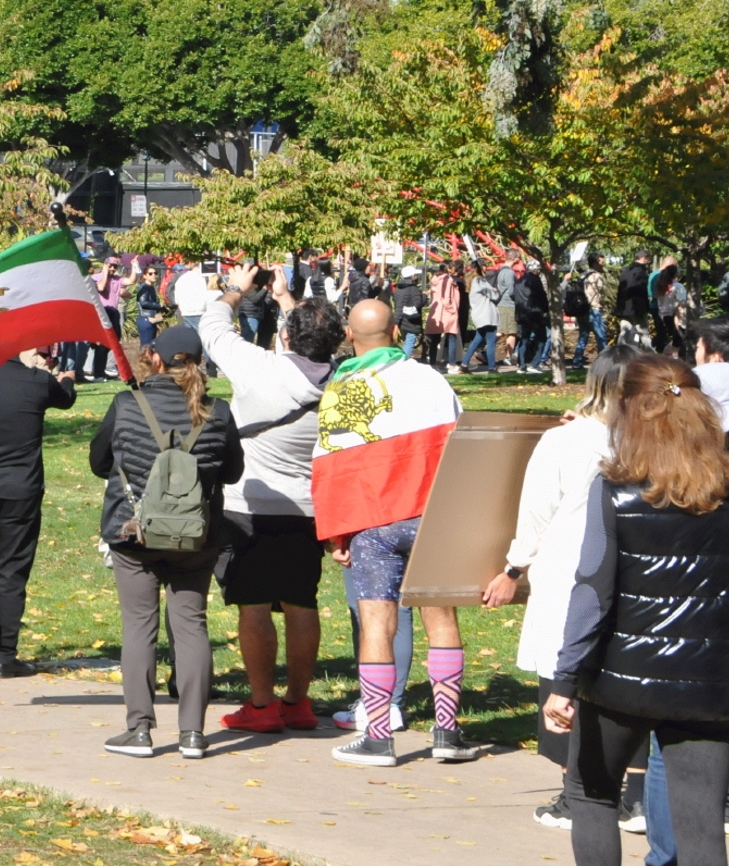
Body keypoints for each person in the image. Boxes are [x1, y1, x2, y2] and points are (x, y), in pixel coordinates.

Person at [544, 353, 729, 866]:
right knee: (701, 823)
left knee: (592, 793)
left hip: (620, 678)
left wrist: (564, 678)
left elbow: (593, 593)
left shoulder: (616, 490)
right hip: (708, 681)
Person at [482, 345, 637, 829]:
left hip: (572, 576)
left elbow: (537, 513)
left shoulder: (564, 443)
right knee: (621, 684)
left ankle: (579, 795)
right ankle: (635, 794)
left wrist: (513, 568)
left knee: (564, 680)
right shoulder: (654, 443)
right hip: (633, 579)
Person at [319, 298, 477, 768]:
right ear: (395, 333)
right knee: (442, 620)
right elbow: (461, 442)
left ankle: (378, 736)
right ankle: (447, 732)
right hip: (432, 519)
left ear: (350, 336)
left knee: (376, 625)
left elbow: (332, 469)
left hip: (374, 523)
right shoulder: (431, 380)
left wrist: (337, 535)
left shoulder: (341, 387)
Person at [90, 325, 244, 758]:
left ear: (154, 358)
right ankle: (193, 733)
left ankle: (139, 729)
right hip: (197, 534)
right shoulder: (218, 411)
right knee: (191, 624)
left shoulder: (126, 404)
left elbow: (98, 461)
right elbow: (231, 472)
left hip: (132, 531)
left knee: (139, 626)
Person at [202, 266, 341, 733]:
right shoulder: (342, 383)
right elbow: (309, 339)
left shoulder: (261, 369)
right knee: (302, 603)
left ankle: (261, 706)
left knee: (254, 606)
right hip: (308, 509)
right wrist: (287, 300)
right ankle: (297, 703)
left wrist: (238, 289)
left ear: (284, 336)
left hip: (250, 505)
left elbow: (213, 328)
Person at [0, 348, 75, 676]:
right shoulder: (36, 381)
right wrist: (66, 379)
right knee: (12, 571)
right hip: (20, 489)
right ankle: (4, 652)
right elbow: (65, 398)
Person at [430, 261, 464, 375]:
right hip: (447, 312)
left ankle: (433, 364)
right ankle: (452, 364)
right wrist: (452, 310)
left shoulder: (435, 279)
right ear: (448, 268)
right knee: (452, 337)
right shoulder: (447, 280)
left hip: (437, 311)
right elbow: (446, 297)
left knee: (435, 339)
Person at [565, 260, 600, 370]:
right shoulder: (595, 276)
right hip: (592, 309)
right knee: (601, 336)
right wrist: (597, 303)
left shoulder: (582, 275)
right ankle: (603, 363)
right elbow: (594, 293)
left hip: (581, 310)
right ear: (596, 263)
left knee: (583, 336)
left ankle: (577, 362)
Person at [616, 250, 655, 348]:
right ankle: (649, 355)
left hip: (624, 307)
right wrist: (645, 308)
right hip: (637, 308)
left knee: (624, 332)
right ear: (644, 258)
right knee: (644, 333)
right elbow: (641, 291)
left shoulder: (625, 270)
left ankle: (619, 353)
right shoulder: (641, 273)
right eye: (648, 259)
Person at [392, 266, 428, 361]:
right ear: (412, 276)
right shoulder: (413, 289)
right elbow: (418, 304)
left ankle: (402, 360)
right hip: (411, 320)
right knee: (410, 341)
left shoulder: (399, 288)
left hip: (402, 319)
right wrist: (424, 296)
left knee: (405, 340)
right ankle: (404, 362)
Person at [653, 263, 687, 357]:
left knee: (676, 340)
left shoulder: (661, 287)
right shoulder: (678, 287)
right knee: (679, 342)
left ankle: (668, 357)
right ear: (676, 274)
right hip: (678, 317)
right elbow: (682, 303)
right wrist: (678, 317)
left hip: (665, 316)